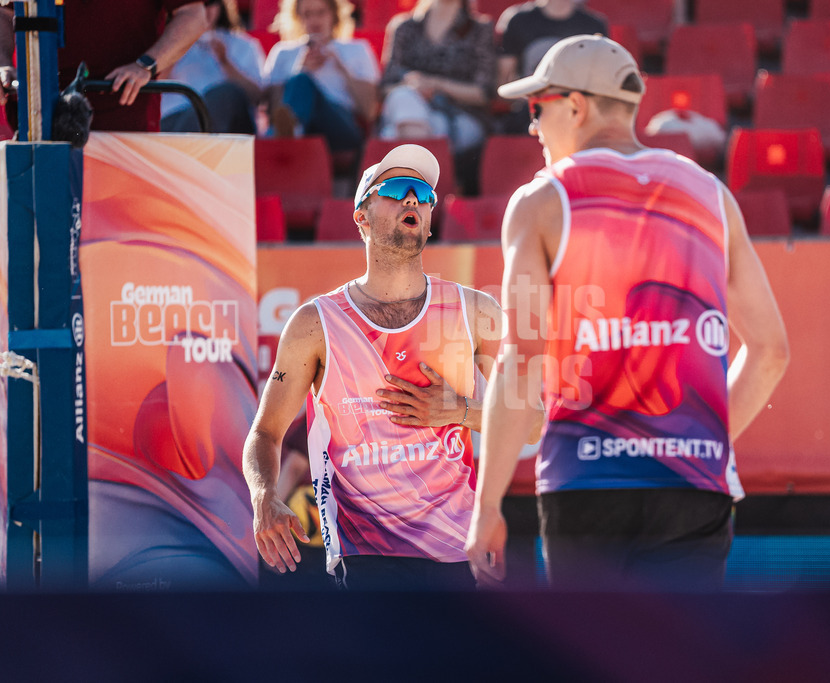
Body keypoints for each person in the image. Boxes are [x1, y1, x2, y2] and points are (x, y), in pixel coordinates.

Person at [465, 35, 790, 592]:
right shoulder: (711, 196)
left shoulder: (542, 201)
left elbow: (521, 359)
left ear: (576, 106)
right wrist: (698, 442)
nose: (532, 127)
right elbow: (771, 352)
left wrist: (488, 504)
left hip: (585, 481)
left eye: (537, 108)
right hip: (693, 482)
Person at [243, 144, 505, 591]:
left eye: (424, 194)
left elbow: (536, 421)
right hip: (364, 556)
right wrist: (264, 495)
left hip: (457, 555)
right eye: (398, 189)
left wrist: (458, 411)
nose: (413, 199)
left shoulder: (476, 311)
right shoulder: (314, 323)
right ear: (361, 217)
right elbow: (264, 433)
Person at [0, 1, 207, 132]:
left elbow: (193, 15)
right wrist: (3, 63)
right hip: (31, 121)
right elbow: (5, 11)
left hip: (122, 123)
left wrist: (145, 65)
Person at [377, 0, 495, 193]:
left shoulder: (479, 29)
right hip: (412, 108)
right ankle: (426, 189)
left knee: (393, 135)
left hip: (461, 117)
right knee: (402, 97)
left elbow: (484, 93)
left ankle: (410, 188)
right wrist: (415, 86)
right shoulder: (404, 27)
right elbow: (385, 88)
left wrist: (437, 85)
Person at [263, 0, 379, 153]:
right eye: (307, 14)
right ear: (297, 16)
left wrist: (341, 67)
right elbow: (274, 111)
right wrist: (300, 69)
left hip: (342, 125)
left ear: (334, 14)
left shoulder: (357, 49)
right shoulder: (282, 52)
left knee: (302, 82)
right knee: (301, 80)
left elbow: (369, 111)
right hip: (302, 124)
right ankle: (293, 133)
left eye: (321, 12)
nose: (314, 20)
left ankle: (284, 141)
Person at [495, 0, 607, 134]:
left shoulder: (593, 24)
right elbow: (505, 79)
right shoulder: (518, 20)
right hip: (529, 107)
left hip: (576, 108)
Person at [161, 0, 266, 135]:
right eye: (195, 3)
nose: (204, 9)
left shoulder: (244, 45)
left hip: (228, 127)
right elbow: (153, 85)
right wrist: (176, 48)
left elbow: (258, 97)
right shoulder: (166, 42)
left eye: (210, 2)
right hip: (173, 120)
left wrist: (225, 62)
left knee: (226, 94)